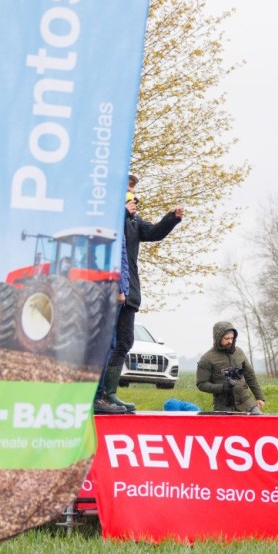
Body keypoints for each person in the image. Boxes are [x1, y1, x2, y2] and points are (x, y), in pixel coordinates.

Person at [94, 176, 183, 415]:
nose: (131, 191)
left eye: (133, 187)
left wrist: (171, 218)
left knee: (124, 342)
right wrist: (121, 214)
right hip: (110, 290)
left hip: (130, 289)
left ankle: (110, 393)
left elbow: (154, 232)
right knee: (106, 343)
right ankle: (98, 394)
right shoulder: (106, 215)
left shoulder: (133, 220)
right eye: (127, 186)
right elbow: (105, 238)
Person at [195, 321, 265, 413]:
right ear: (218, 338)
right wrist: (222, 387)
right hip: (223, 406)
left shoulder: (239, 352)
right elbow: (201, 384)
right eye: (226, 338)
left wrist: (259, 397)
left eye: (232, 338)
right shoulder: (206, 359)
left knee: (259, 424)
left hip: (246, 402)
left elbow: (250, 375)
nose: (230, 341)